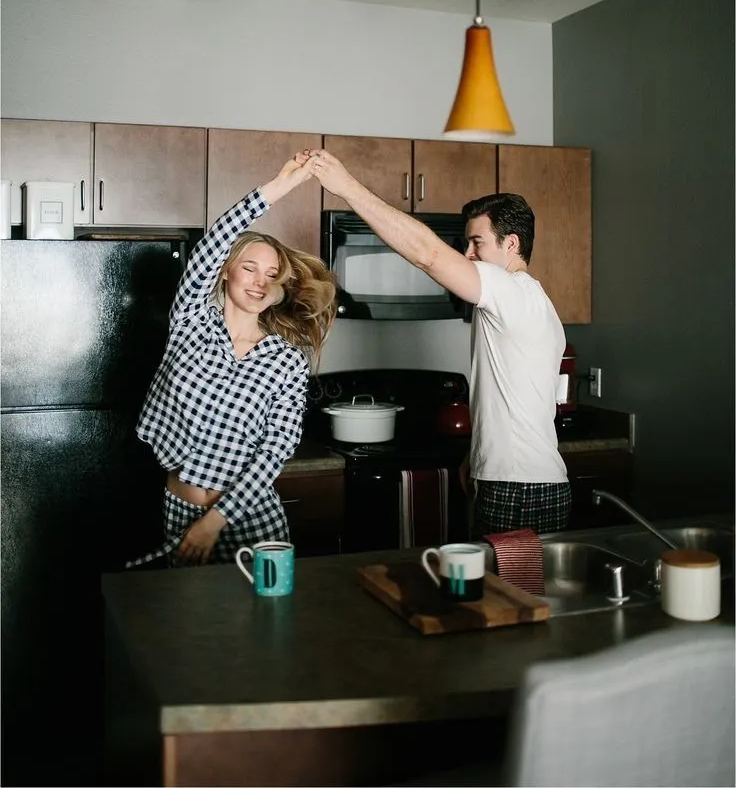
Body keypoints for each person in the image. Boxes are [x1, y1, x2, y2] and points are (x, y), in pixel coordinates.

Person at [306, 148, 571, 536]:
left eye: (477, 243)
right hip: (519, 480)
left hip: (519, 488)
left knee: (510, 595)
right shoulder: (527, 300)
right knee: (509, 594)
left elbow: (428, 255)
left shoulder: (511, 291)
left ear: (512, 244)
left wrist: (346, 186)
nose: (468, 255)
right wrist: (478, 456)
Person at [129, 151, 336, 567]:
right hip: (181, 514)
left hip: (252, 520)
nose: (260, 281)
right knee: (189, 629)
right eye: (250, 268)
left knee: (268, 629)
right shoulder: (191, 322)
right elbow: (212, 243)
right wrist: (282, 185)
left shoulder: (287, 360)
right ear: (226, 270)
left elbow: (277, 448)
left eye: (272, 273)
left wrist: (215, 522)